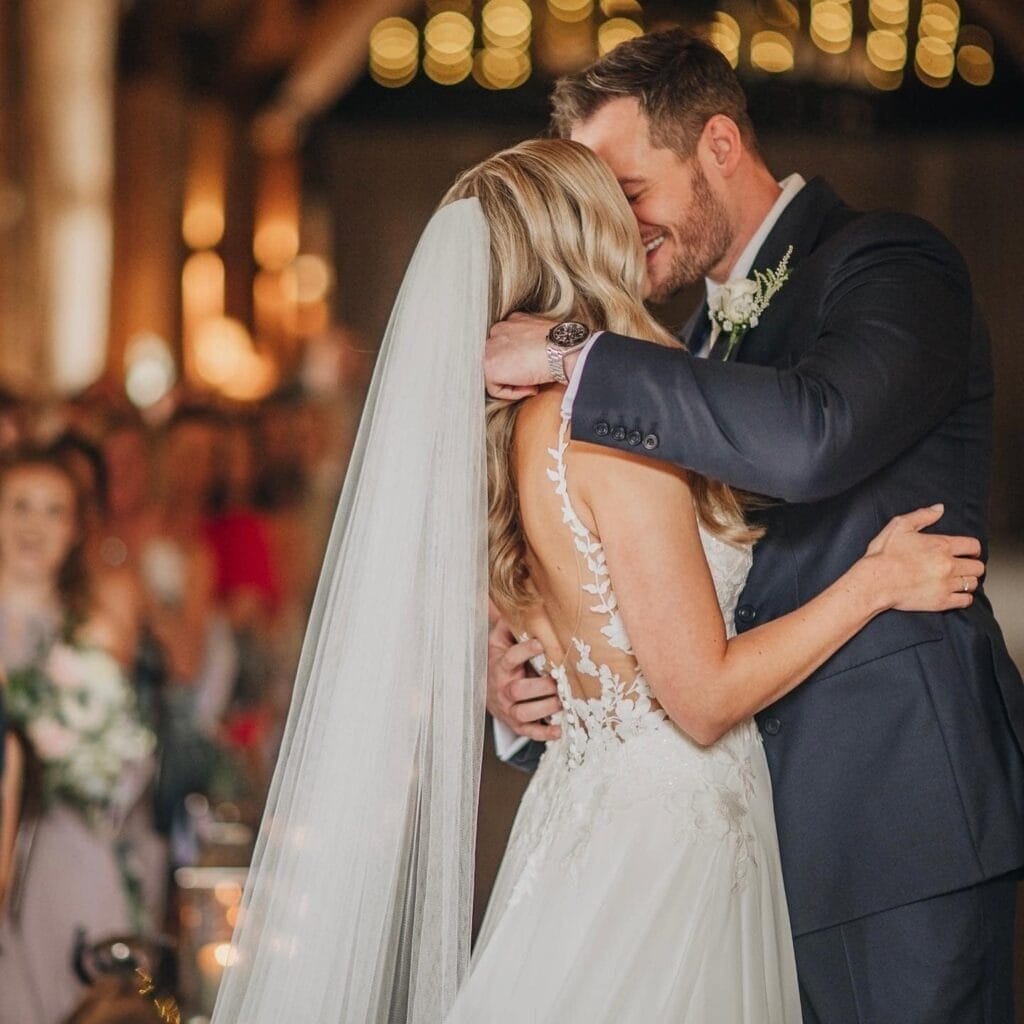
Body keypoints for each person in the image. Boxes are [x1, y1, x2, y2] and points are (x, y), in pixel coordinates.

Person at [211, 137, 986, 1023]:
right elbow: (703, 698)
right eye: (618, 202)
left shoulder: (512, 428)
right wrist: (874, 583)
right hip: (667, 846)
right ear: (589, 236)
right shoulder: (613, 434)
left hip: (585, 822)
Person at [484, 29, 1024, 1023]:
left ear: (719, 146)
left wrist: (572, 351)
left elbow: (815, 437)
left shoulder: (890, 263)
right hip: (737, 838)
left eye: (630, 189)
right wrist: (544, 687)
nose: (619, 225)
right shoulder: (682, 346)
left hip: (889, 819)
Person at [0, 448, 154, 1024]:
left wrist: (84, 761)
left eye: (53, 511)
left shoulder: (95, 628)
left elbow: (130, 752)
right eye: (19, 506)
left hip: (66, 845)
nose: (34, 526)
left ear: (73, 529)